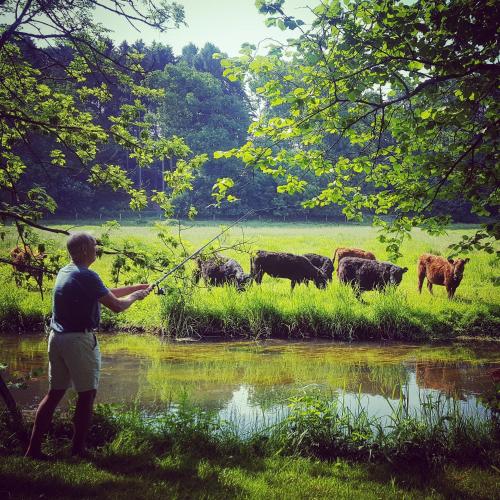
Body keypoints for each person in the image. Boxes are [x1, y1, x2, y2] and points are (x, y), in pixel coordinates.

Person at [25, 231, 151, 459]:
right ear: (84, 249)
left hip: (58, 339)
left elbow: (103, 293)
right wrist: (136, 297)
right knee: (87, 395)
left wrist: (136, 287)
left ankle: (33, 450)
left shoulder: (67, 271)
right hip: (79, 342)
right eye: (94, 245)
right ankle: (78, 451)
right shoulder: (87, 276)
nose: (97, 249)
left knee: (54, 394)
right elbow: (117, 306)